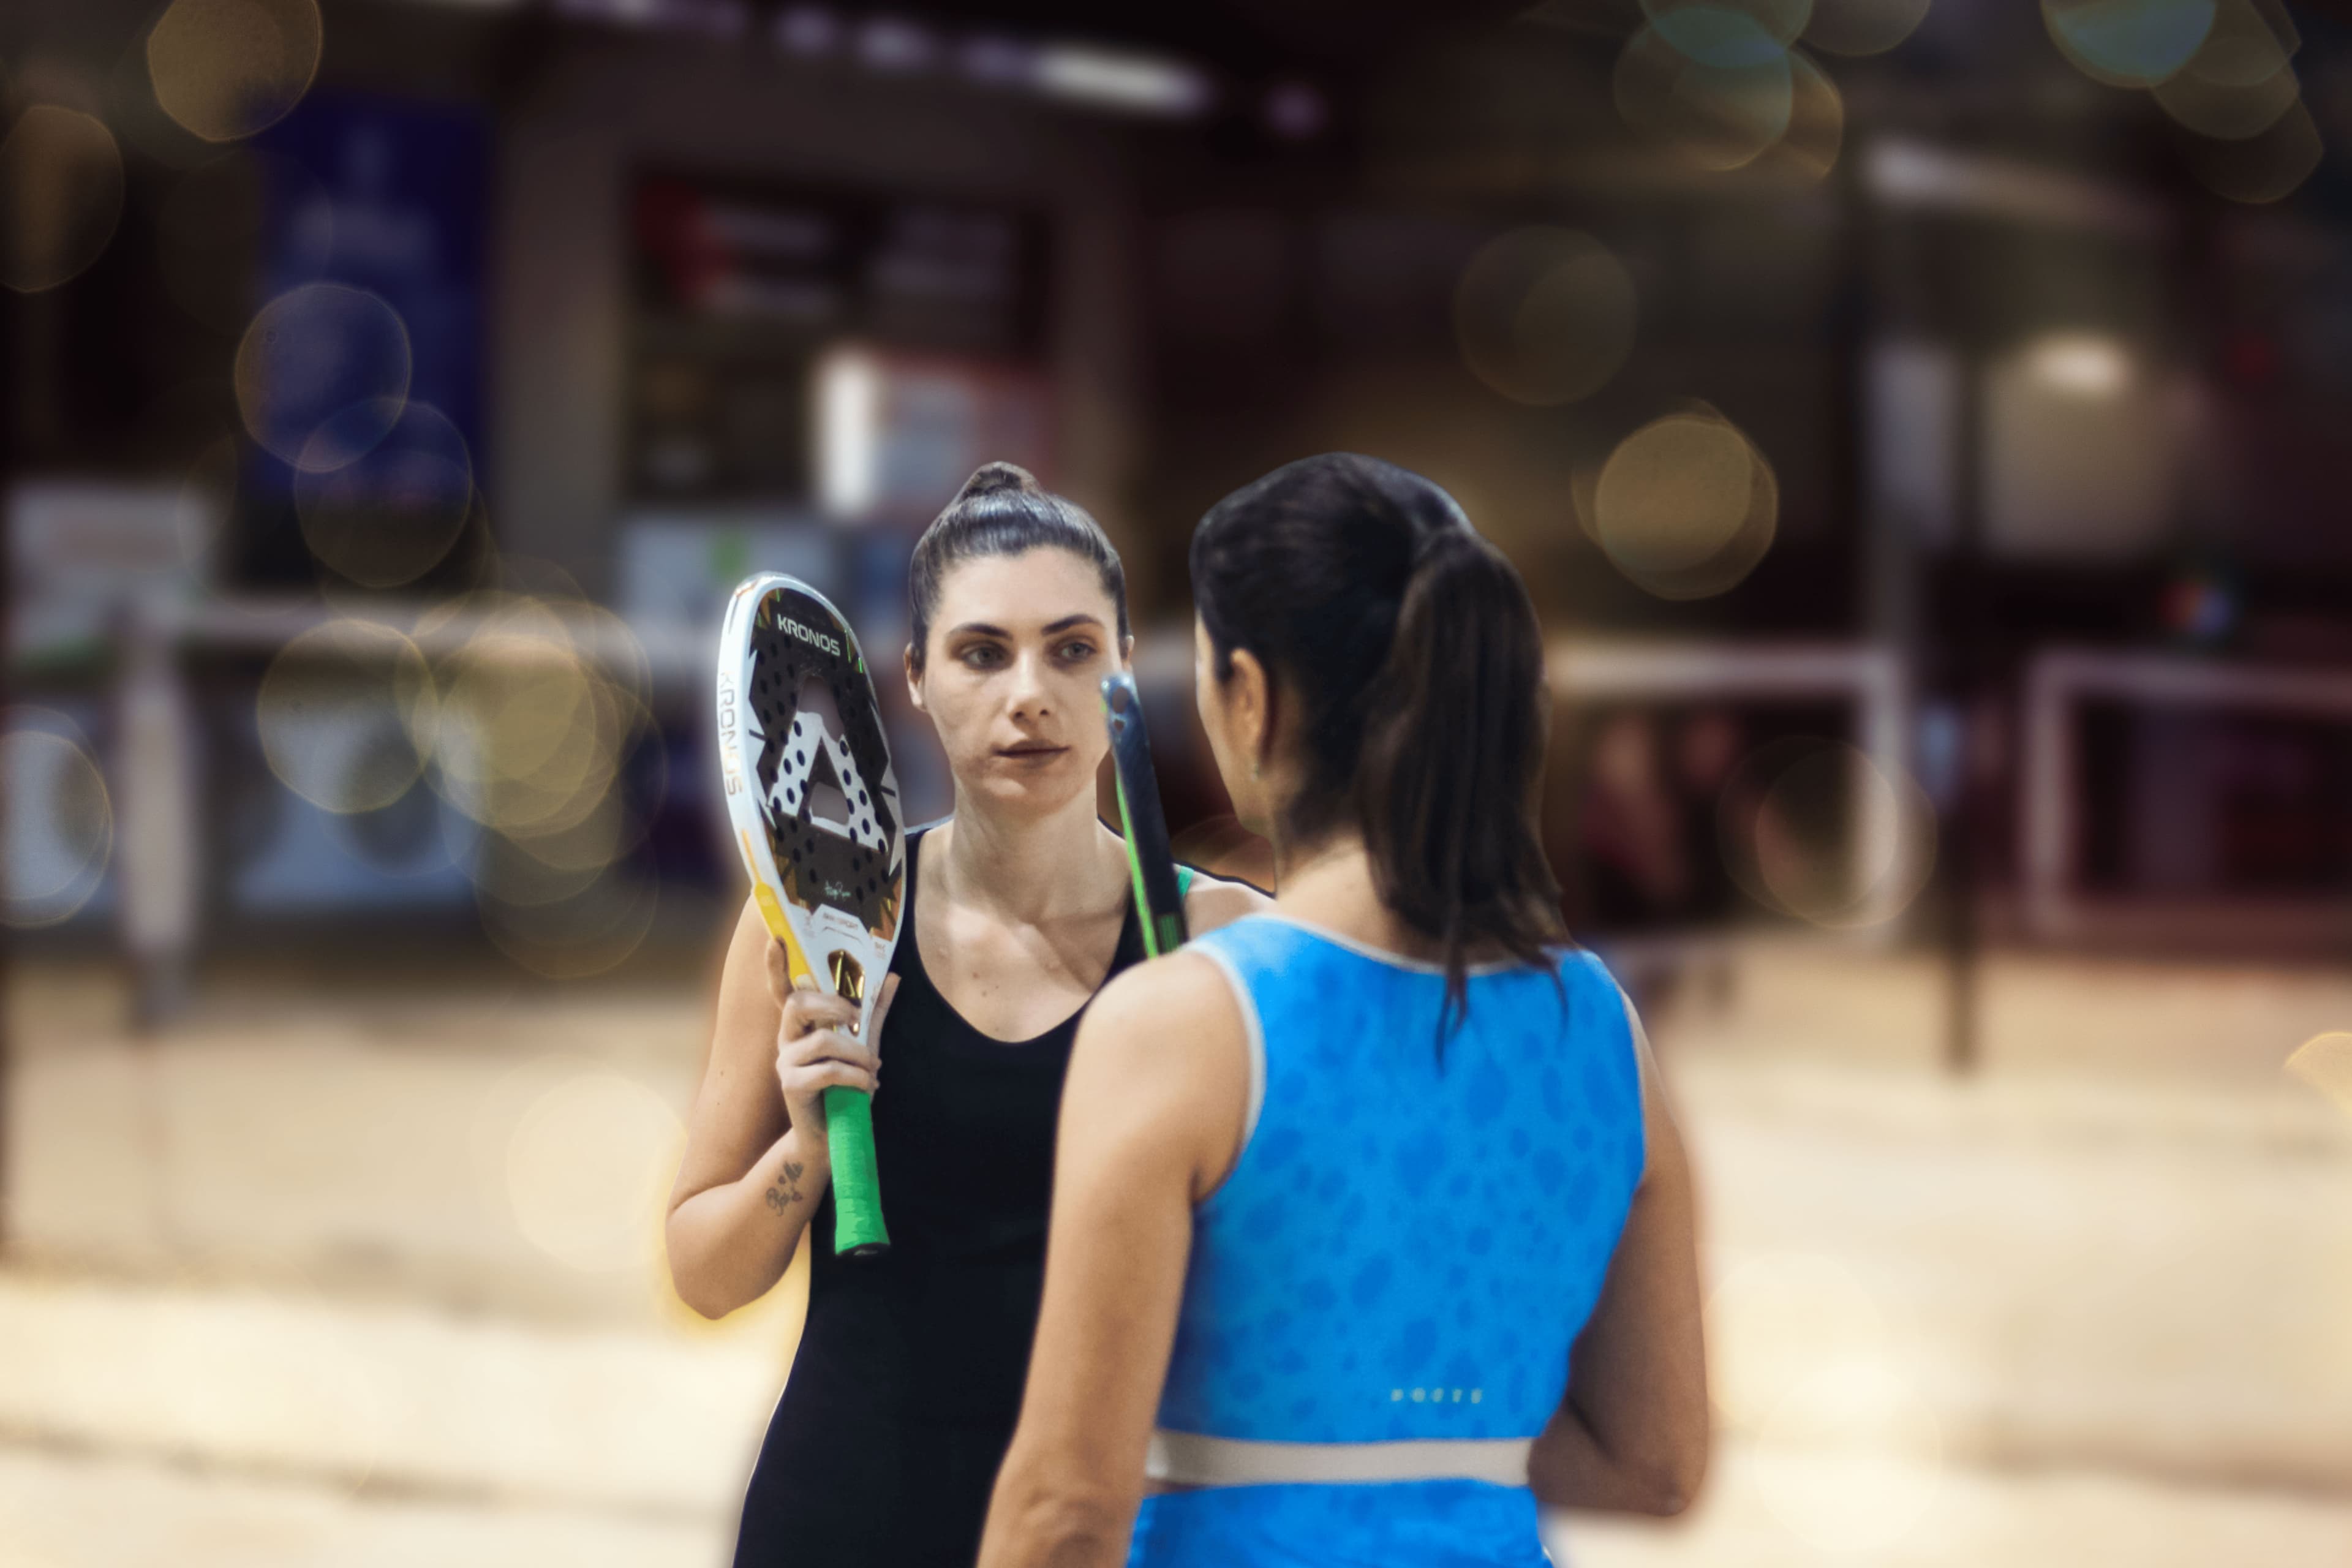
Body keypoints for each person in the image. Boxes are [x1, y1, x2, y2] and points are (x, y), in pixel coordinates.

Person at [978, 454, 1708, 1567]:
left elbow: (1064, 1514)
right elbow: (1656, 1465)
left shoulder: (1182, 1025)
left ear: (1253, 697)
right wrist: (1410, 1423)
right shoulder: (1603, 1030)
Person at [666, 462, 1267, 1568]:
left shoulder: (1227, 944)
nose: (1028, 692)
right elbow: (704, 1272)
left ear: (1124, 671)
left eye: (1073, 648)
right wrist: (804, 1152)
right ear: (915, 680)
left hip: (1110, 1531)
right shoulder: (808, 928)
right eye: (982, 653)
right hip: (846, 1516)